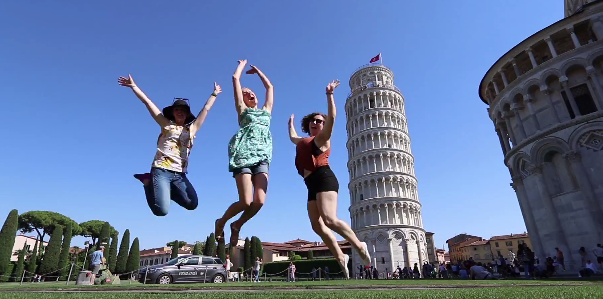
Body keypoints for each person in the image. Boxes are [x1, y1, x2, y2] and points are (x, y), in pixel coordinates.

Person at [287, 80, 371, 279]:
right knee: (317, 226)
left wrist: (330, 95)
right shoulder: (303, 140)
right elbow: (293, 138)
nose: (316, 123)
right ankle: (341, 257)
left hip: (324, 178)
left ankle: (359, 245)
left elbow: (332, 117)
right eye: (313, 121)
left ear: (323, 126)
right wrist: (290, 123)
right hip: (310, 184)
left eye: (319, 121)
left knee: (330, 219)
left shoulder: (322, 139)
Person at [118, 75, 222, 216]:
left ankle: (164, 191)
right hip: (161, 169)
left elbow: (206, 109)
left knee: (192, 204)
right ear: (172, 113)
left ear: (187, 115)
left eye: (183, 111)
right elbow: (148, 103)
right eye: (177, 110)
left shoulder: (192, 129)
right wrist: (134, 87)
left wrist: (214, 94)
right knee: (162, 211)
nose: (180, 112)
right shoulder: (166, 124)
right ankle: (148, 182)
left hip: (180, 174)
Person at [215, 60, 274, 244]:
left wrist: (258, 71)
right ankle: (222, 221)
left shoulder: (266, 112)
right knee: (246, 202)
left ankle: (237, 224)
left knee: (259, 201)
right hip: (243, 157)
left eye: (251, 93)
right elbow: (235, 79)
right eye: (245, 94)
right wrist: (241, 66)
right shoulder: (242, 111)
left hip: (263, 157)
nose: (250, 94)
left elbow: (270, 87)